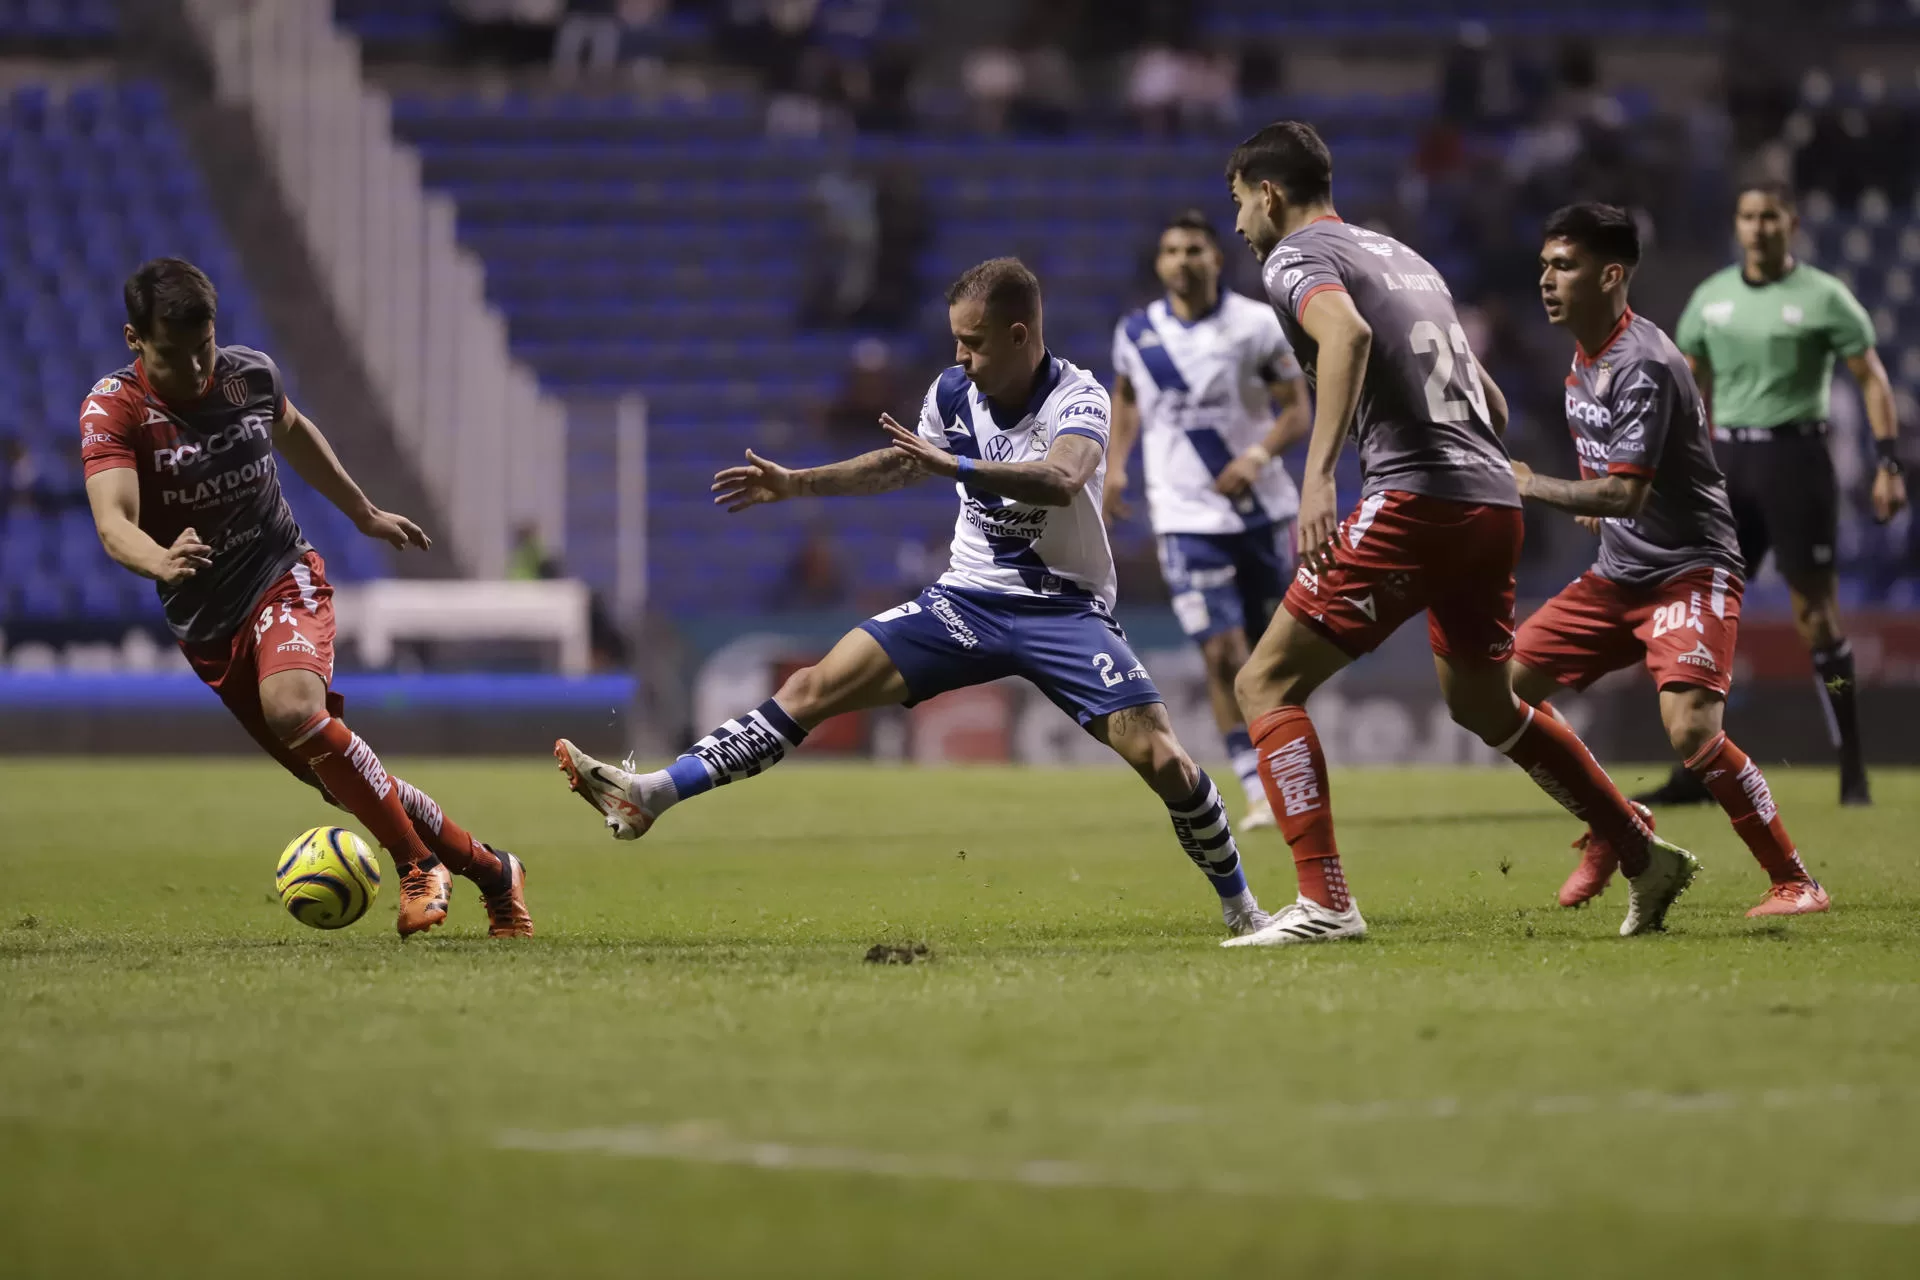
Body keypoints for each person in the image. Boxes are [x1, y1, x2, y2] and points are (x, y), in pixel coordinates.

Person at [556, 258, 1276, 937]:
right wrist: (798, 483)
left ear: (1020, 335)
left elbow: (1062, 477)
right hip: (965, 600)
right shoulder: (953, 393)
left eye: (974, 342)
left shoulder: (1077, 397)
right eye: (956, 342)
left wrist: (956, 463)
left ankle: (1242, 908)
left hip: (1064, 610)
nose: (960, 357)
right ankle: (650, 795)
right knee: (813, 686)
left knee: (1165, 763)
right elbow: (902, 466)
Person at [1215, 122, 1697, 948]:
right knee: (1483, 701)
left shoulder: (1293, 259)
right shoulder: (1405, 258)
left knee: (1263, 685)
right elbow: (1492, 403)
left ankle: (1324, 901)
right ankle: (1640, 849)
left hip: (1417, 501)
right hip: (1489, 502)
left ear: (1268, 193)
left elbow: (1349, 337)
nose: (1236, 227)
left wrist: (1321, 472)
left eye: (1237, 205)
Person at [80, 258, 531, 938]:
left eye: (204, 349)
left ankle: (418, 867)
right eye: (174, 357)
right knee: (342, 776)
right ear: (133, 340)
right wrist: (161, 559)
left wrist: (362, 512)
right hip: (206, 621)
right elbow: (114, 521)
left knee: (293, 706)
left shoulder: (246, 375)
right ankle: (495, 873)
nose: (197, 372)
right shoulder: (115, 409)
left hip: (280, 573)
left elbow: (292, 430)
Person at [1510, 203, 1827, 919]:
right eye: (1544, 266)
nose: (1547, 280)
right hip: (1620, 571)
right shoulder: (1584, 356)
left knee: (1690, 730)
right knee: (1500, 691)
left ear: (1611, 274)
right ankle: (1618, 822)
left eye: (1564, 266)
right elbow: (1618, 482)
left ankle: (1796, 879)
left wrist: (1535, 486)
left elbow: (1625, 492)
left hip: (1690, 567)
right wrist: (1598, 497)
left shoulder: (1644, 362)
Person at [1637, 182, 1906, 808]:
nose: (1758, 228)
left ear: (1791, 224)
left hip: (1796, 458)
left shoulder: (1824, 297)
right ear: (1737, 225)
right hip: (1727, 460)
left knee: (1815, 613)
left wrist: (1887, 462)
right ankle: (1696, 769)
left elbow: (1873, 378)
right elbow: (1686, 388)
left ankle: (1853, 768)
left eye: (1770, 217)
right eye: (1748, 217)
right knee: (1700, 610)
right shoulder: (1711, 298)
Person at [1106, 208, 1311, 831]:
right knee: (1222, 656)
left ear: (1217, 258)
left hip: (1261, 514)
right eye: (1172, 249)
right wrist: (1116, 466)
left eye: (1195, 248)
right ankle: (1256, 790)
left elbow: (1297, 411)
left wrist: (1257, 455)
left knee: (1275, 657)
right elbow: (1128, 399)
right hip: (1184, 517)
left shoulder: (1255, 326)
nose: (1183, 260)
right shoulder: (1137, 333)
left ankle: (1290, 771)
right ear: (1160, 262)